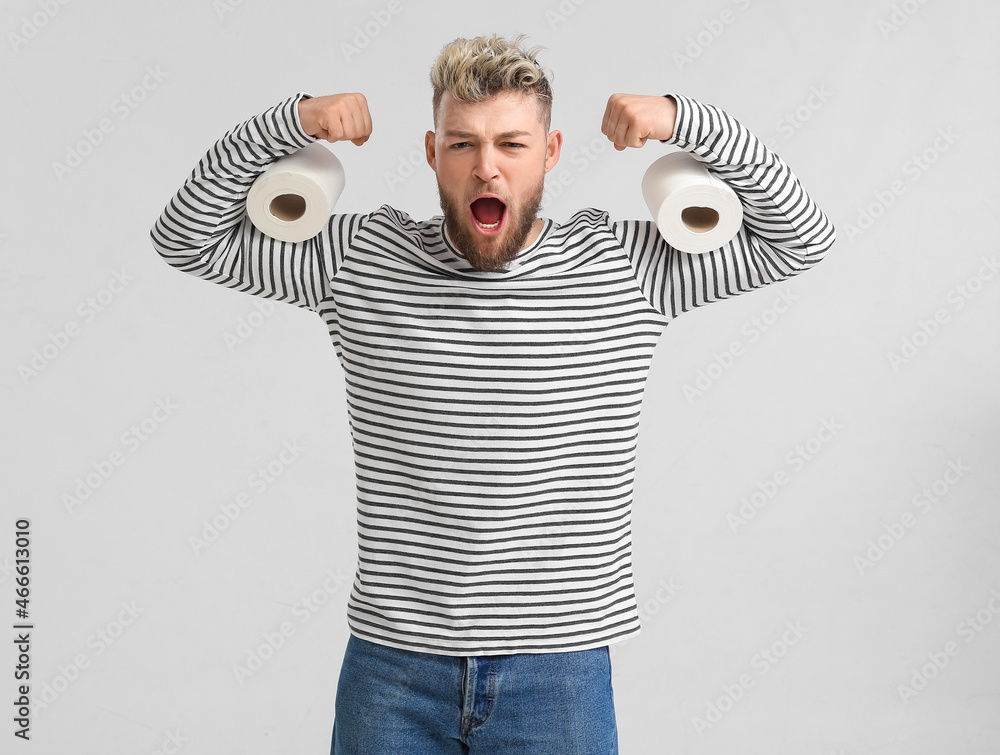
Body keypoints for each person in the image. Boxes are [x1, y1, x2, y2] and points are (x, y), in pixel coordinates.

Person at [151, 32, 834, 755]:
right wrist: (288, 123)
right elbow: (185, 237)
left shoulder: (626, 268)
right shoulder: (359, 260)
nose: (487, 167)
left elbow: (801, 237)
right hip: (393, 669)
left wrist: (683, 118)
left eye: (512, 143)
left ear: (552, 150)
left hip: (559, 672)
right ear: (430, 152)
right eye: (461, 144)